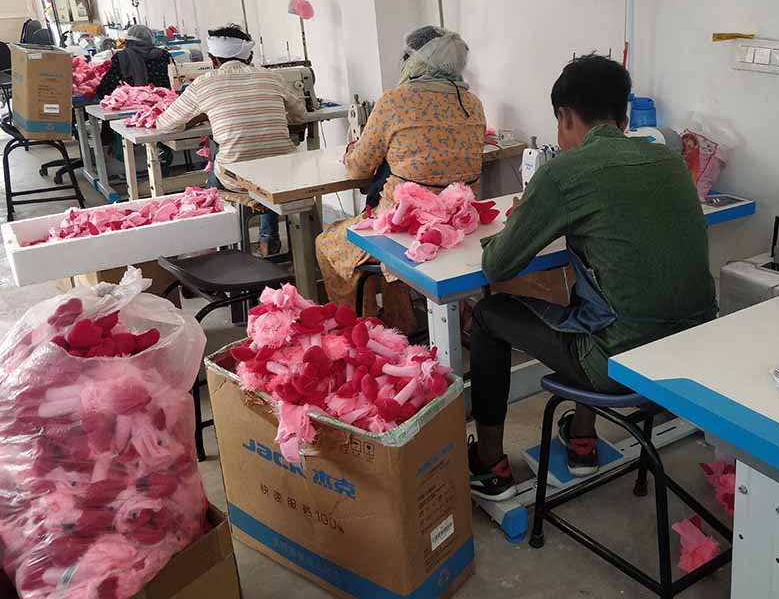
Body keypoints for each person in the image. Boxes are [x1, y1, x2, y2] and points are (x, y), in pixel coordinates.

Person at [466, 55, 717, 501]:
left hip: (620, 367)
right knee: (590, 298)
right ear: (624, 116)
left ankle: (489, 465)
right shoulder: (671, 161)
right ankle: (581, 439)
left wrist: (518, 221)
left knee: (488, 314)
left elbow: (496, 267)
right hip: (692, 353)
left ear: (564, 117)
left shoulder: (564, 172)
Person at [316, 26, 486, 322]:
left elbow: (359, 167)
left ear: (415, 60)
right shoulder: (472, 103)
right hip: (459, 220)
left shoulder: (395, 101)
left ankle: (361, 328)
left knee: (327, 243)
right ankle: (400, 318)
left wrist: (353, 151)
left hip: (405, 224)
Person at [155, 25, 307, 256]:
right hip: (284, 172)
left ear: (213, 59)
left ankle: (219, 247)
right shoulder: (272, 77)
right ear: (250, 56)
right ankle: (268, 239)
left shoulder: (204, 83)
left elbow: (164, 123)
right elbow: (300, 115)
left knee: (223, 174)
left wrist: (204, 114)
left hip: (236, 177)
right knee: (267, 164)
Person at [96, 25, 171, 97]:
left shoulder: (122, 56)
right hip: (164, 99)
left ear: (128, 41)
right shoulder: (163, 54)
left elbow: (109, 83)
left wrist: (100, 95)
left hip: (135, 101)